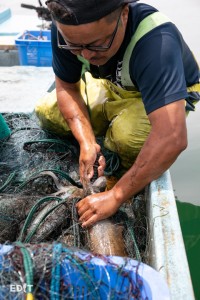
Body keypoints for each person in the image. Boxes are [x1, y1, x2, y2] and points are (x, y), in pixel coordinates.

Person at [44, 0, 200, 228]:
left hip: (160, 93)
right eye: (75, 46)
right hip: (113, 84)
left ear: (124, 14)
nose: (86, 54)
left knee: (127, 138)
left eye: (97, 45)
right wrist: (86, 141)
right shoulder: (66, 28)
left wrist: (116, 195)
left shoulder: (157, 43)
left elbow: (172, 137)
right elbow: (67, 86)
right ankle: (102, 136)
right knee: (49, 114)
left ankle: (124, 177)